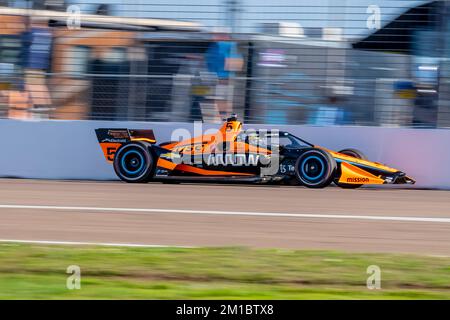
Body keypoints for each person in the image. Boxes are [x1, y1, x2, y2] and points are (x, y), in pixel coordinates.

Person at [205, 30, 243, 121]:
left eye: (217, 35)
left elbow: (236, 64)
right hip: (216, 79)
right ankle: (216, 121)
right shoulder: (216, 46)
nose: (213, 37)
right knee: (216, 102)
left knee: (220, 102)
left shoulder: (227, 46)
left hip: (222, 79)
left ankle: (218, 122)